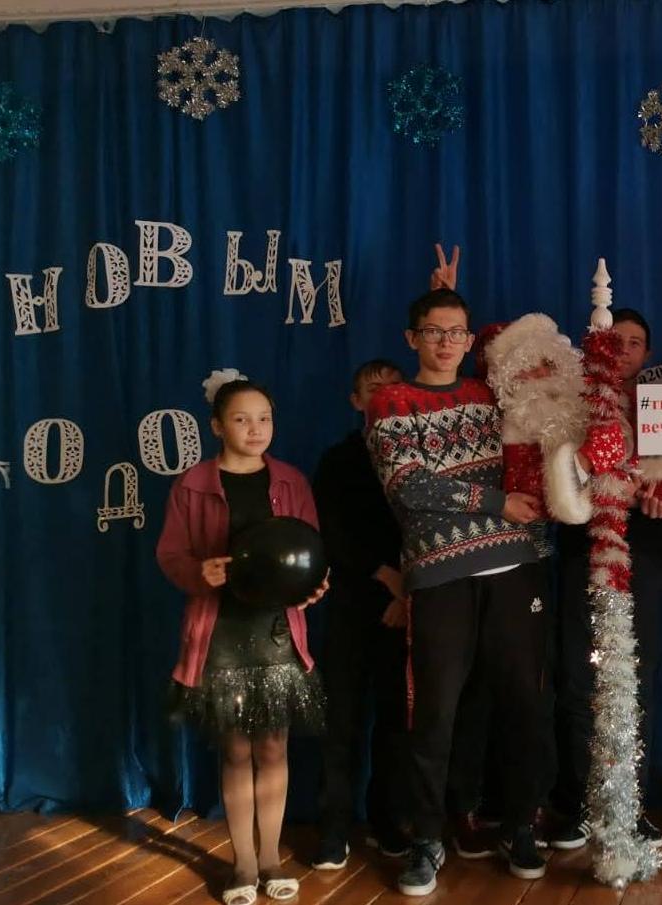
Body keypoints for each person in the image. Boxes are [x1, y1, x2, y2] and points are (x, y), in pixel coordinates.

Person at [365, 288, 549, 893]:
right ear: (411, 338)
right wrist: (496, 502)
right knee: (434, 711)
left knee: (524, 704)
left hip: (515, 568)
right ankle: (425, 839)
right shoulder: (392, 401)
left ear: (470, 341)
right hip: (439, 575)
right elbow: (409, 486)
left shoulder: (488, 395)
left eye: (456, 333)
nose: (446, 343)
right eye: (433, 331)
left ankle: (521, 825)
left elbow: (536, 416)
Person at [157, 374, 328, 905]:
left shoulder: (292, 481)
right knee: (235, 750)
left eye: (264, 419)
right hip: (222, 633)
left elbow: (311, 553)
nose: (255, 429)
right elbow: (171, 554)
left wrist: (313, 586)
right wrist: (198, 573)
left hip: (276, 631)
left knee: (273, 746)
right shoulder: (191, 485)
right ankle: (244, 865)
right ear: (217, 426)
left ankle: (272, 858)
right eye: (241, 419)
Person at [548, 308, 662, 846]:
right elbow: (554, 485)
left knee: (638, 680)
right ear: (596, 347)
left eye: (635, 343)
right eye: (614, 340)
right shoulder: (570, 408)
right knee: (580, 679)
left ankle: (631, 805)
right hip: (583, 554)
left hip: (645, 556)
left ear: (647, 355)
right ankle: (581, 802)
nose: (623, 350)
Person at [310, 359, 411, 870]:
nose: (385, 395)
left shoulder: (420, 454)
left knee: (397, 724)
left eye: (394, 387)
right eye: (374, 389)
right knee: (341, 723)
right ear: (356, 401)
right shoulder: (337, 460)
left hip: (407, 607)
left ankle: (387, 822)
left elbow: (430, 528)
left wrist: (405, 593)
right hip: (351, 606)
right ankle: (333, 830)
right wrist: (382, 574)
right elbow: (331, 533)